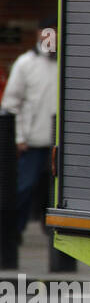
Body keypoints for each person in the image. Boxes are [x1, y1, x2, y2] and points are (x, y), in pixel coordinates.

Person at [2, 18, 58, 248]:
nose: (51, 38)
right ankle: (12, 235)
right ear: (38, 34)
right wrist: (19, 138)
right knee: (24, 188)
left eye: (55, 33)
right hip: (33, 143)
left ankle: (57, 239)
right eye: (47, 33)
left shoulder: (67, 63)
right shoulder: (25, 63)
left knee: (55, 194)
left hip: (59, 144)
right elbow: (10, 104)